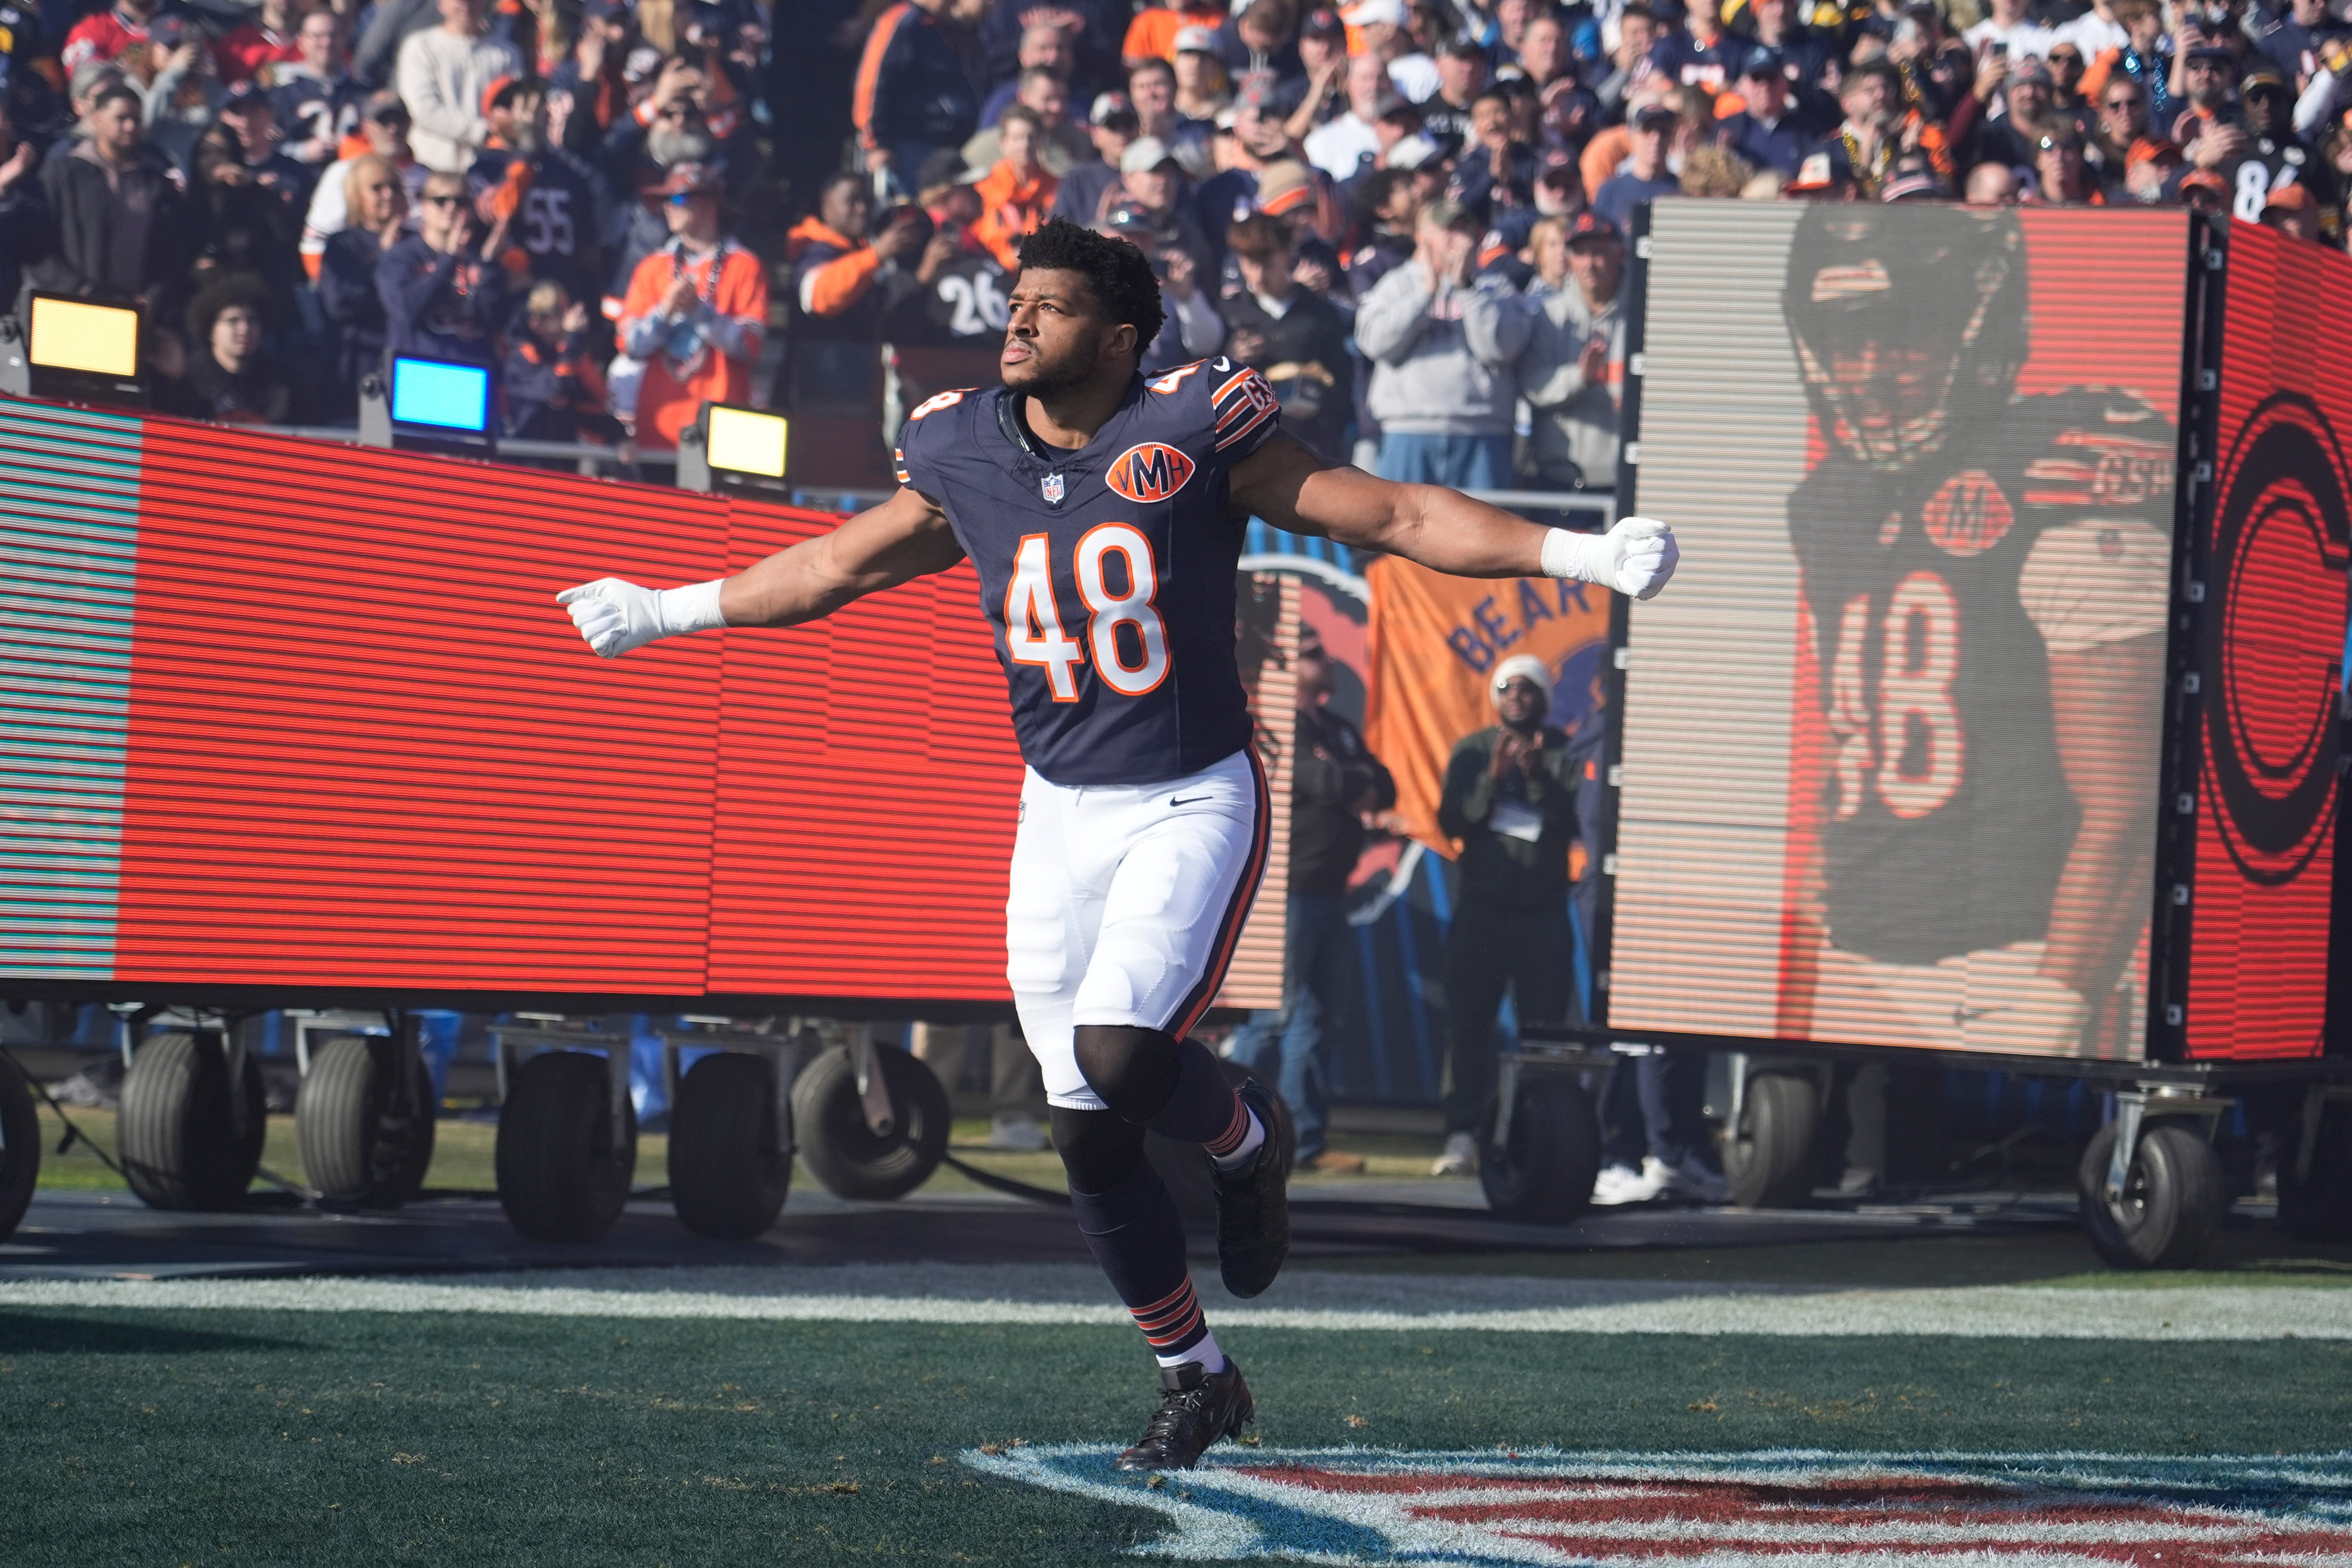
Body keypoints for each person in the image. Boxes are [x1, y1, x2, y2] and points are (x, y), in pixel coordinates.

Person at [557, 216, 1679, 1472]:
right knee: (1083, 1125)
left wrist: (1575, 551)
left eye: (1048, 306)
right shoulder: (962, 442)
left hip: (1191, 792)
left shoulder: (1192, 428)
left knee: (1119, 1046)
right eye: (1015, 300)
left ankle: (1252, 1142)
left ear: (1122, 337)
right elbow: (834, 566)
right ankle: (1198, 1375)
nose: (1017, 322)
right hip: (1059, 809)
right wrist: (664, 608)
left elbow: (1398, 512)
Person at [1779, 202, 2171, 1062]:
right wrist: (1798, 977)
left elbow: (2131, 803)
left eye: (1905, 336)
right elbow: (1854, 756)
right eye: (1849, 339)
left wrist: (2054, 1004)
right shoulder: (1831, 502)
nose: (1872, 372)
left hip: (2015, 950)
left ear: (1978, 329)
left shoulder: (2056, 464)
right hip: (1859, 937)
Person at [1227, 631, 1394, 1173]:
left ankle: (1305, 1141)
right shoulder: (1277, 721)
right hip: (1288, 889)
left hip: (1330, 891)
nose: (1328, 661)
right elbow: (1318, 780)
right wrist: (1351, 784)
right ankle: (1219, 1128)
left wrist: (1353, 781)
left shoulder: (1337, 728)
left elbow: (1384, 784)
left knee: (1318, 1018)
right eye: (1314, 654)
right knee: (1275, 1016)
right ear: (1290, 668)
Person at [1431, 654, 1584, 1177]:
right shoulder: (1473, 751)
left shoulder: (1563, 750)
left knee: (1544, 1032)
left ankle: (1535, 1133)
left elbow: (1576, 822)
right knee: (1469, 1026)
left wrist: (1538, 778)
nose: (1515, 695)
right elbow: (1452, 821)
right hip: (1484, 911)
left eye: (1526, 687)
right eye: (1505, 687)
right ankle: (1462, 1134)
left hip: (1543, 915)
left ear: (1543, 696)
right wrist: (1492, 781)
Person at [1355, 197, 1535, 490]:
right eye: (1447, 229)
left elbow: (1501, 349)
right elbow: (1375, 344)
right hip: (1408, 431)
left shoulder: (1496, 287)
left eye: (1464, 229)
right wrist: (1425, 294)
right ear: (1422, 239)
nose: (1457, 237)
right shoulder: (1396, 284)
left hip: (1482, 433)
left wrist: (1466, 288)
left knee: (1480, 535)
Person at [610, 161, 765, 449]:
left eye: (679, 198)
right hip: (658, 429)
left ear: (710, 205)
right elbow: (629, 345)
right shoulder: (651, 267)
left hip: (723, 433)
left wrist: (699, 312)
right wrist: (664, 312)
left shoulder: (745, 266)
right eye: (665, 200)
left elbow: (750, 345)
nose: (669, 206)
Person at [36, 83, 192, 329]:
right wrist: (76, 288)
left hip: (133, 317)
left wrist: (154, 297)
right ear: (97, 119)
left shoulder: (158, 184)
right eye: (121, 118)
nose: (130, 127)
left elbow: (173, 252)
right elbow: (37, 242)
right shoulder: (64, 174)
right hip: (69, 313)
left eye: (136, 119)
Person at [1218, 210, 1352, 459]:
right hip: (1247, 447)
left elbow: (1343, 379)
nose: (1258, 276)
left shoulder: (1319, 313)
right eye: (1249, 265)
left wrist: (1319, 399)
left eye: (1267, 265)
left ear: (1287, 255)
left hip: (1311, 443)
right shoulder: (1229, 312)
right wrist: (1232, 354)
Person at [1521, 211, 1625, 495]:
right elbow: (1531, 385)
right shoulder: (1549, 315)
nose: (1590, 263)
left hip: (1627, 477)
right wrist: (1579, 377)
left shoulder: (1644, 316)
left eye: (1599, 252)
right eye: (1581, 253)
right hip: (1561, 477)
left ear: (1620, 254)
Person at [377, 167, 509, 364]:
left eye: (460, 202)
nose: (451, 208)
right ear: (423, 205)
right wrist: (450, 259)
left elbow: (492, 320)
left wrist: (490, 264)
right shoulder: (401, 257)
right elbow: (406, 309)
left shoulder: (478, 260)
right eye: (441, 201)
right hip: (416, 368)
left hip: (468, 371)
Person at [853, 0, 984, 183]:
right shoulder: (902, 21)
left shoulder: (939, 25)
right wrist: (877, 144)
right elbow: (872, 82)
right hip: (908, 147)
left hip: (950, 145)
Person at [317, 150, 404, 410]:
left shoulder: (417, 243)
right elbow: (339, 304)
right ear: (357, 195)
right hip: (357, 364)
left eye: (394, 187)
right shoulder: (342, 244)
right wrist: (384, 259)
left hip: (405, 360)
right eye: (377, 188)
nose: (388, 195)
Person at [396, 0, 523, 174]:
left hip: (491, 168)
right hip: (432, 167)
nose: (467, 5)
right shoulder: (421, 47)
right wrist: (481, 132)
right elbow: (422, 110)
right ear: (441, 4)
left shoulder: (507, 53)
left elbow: (516, 108)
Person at [504, 278, 618, 442]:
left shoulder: (572, 353)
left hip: (565, 458)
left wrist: (619, 437)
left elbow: (597, 404)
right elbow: (555, 389)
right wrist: (573, 340)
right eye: (560, 312)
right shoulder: (520, 361)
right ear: (537, 323)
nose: (569, 317)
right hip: (529, 459)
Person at [180, 275, 290, 423]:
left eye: (252, 320)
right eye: (233, 321)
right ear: (211, 331)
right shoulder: (188, 379)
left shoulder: (281, 383)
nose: (244, 329)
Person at [972, 105, 1059, 269]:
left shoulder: (1056, 188)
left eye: (1031, 137)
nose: (1025, 145)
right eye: (1017, 138)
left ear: (1041, 141)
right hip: (998, 275)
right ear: (1004, 144)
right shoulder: (985, 190)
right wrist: (1008, 259)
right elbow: (979, 239)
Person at [1590, 102, 1683, 229]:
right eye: (1647, 130)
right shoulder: (1610, 192)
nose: (1656, 139)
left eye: (1663, 131)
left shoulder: (1683, 191)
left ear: (1672, 136)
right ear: (1632, 135)